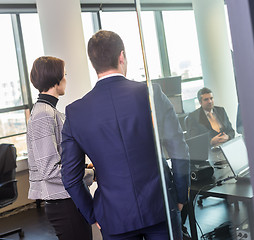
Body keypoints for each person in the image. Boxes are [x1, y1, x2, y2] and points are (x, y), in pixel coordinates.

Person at [60, 30, 190, 240]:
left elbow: (70, 178)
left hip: (113, 217)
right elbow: (179, 149)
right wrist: (181, 196)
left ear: (93, 64)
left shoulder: (76, 112)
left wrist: (93, 215)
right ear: (122, 56)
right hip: (161, 206)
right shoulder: (151, 93)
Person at [26, 56, 93, 240]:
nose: (66, 78)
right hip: (63, 202)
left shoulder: (50, 111)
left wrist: (85, 168)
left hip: (69, 198)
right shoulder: (43, 115)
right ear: (55, 79)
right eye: (64, 74)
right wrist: (90, 176)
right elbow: (50, 170)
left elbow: (62, 158)